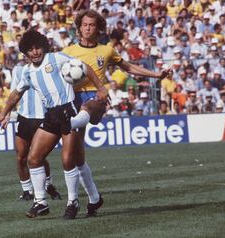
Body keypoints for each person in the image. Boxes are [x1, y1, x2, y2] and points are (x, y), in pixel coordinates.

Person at [62, 9, 168, 217]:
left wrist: (156, 74)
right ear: (79, 27)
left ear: (99, 28)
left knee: (89, 108)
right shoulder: (68, 51)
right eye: (84, 25)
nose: (88, 28)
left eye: (92, 25)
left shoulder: (107, 50)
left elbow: (128, 67)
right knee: (72, 156)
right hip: (72, 99)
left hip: (97, 98)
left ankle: (71, 202)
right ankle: (94, 199)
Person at [0, 29, 107, 219]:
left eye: (37, 47)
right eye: (30, 49)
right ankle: (41, 202)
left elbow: (85, 66)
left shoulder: (55, 58)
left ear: (43, 46)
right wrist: (4, 112)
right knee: (34, 158)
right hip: (51, 116)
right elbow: (16, 93)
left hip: (69, 110)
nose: (35, 52)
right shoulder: (28, 72)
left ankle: (73, 202)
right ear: (25, 52)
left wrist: (101, 87)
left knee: (68, 160)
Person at [4, 59, 62, 201]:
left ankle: (48, 185)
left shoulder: (50, 67)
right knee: (21, 157)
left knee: (38, 157)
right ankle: (27, 191)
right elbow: (14, 93)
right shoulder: (18, 70)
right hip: (24, 117)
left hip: (44, 117)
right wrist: (6, 113)